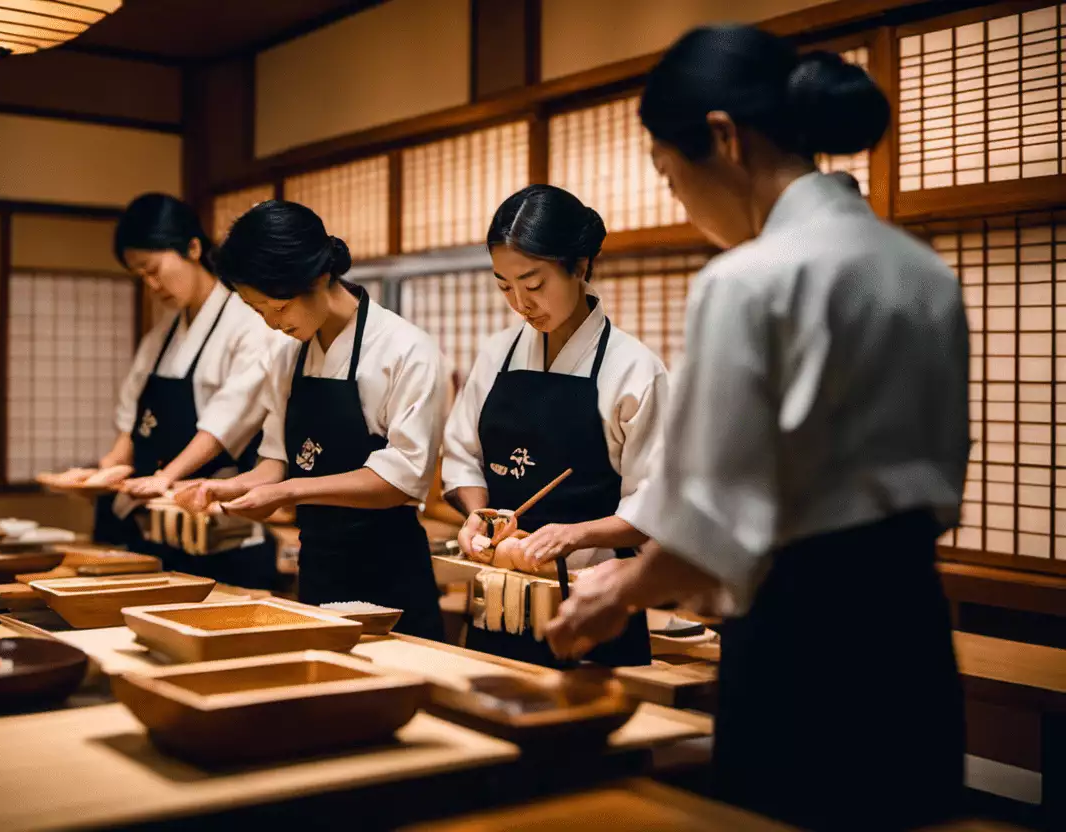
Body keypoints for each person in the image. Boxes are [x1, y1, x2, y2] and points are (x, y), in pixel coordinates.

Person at [544, 25, 969, 831]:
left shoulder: (747, 281)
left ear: (723, 138)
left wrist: (617, 592)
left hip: (800, 650)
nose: (682, 203)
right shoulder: (924, 270)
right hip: (913, 637)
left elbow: (713, 521)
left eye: (671, 180)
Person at [176, 200, 446, 640]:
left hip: (389, 570)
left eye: (278, 308)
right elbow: (276, 461)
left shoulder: (404, 350)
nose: (271, 323)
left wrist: (289, 492)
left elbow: (400, 482)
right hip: (318, 564)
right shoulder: (286, 355)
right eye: (257, 310)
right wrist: (228, 487)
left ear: (319, 277)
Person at [442, 185, 667, 667]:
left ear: (580, 266)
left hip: (594, 604)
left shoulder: (632, 370)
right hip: (497, 601)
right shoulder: (497, 354)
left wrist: (575, 534)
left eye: (534, 283)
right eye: (504, 286)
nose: (520, 303)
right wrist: (478, 514)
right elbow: (462, 455)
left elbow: (653, 505)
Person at [98, 192, 284, 587]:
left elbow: (228, 420)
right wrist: (104, 473)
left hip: (217, 529)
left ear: (194, 248)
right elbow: (135, 420)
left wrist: (169, 476)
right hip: (156, 524)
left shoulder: (248, 324)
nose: (151, 285)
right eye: (140, 276)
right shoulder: (162, 334)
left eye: (153, 269)